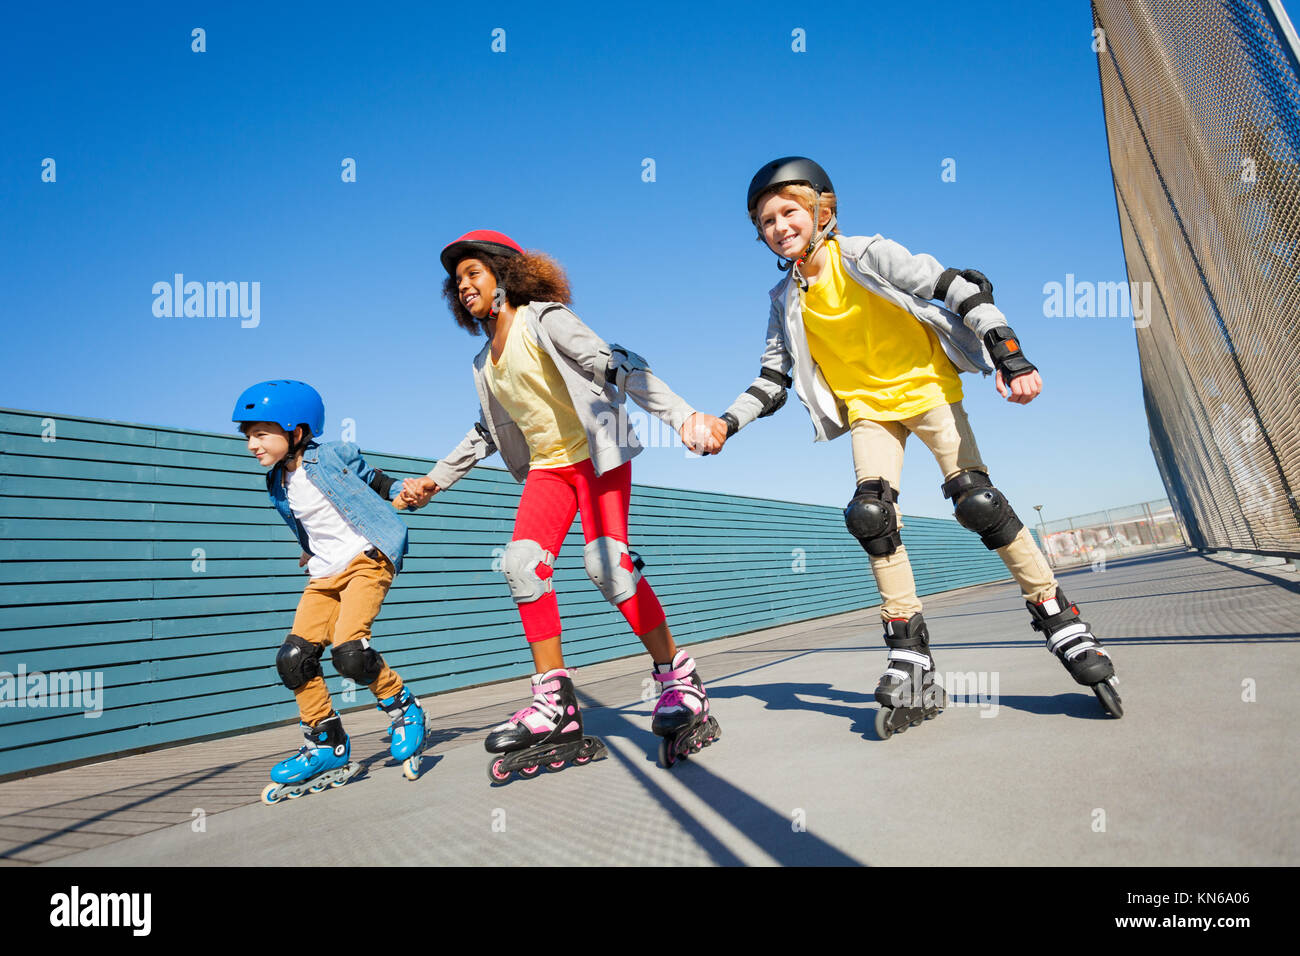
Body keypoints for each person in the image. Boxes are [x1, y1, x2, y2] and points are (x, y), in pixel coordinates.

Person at [715, 158, 1122, 735]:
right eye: (766, 221)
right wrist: (727, 423)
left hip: (928, 391)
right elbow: (773, 378)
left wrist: (1009, 352)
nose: (778, 226)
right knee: (871, 515)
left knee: (976, 501)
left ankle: (1057, 613)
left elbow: (957, 287)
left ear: (820, 211)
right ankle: (909, 647)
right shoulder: (785, 298)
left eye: (789, 212)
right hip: (869, 412)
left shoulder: (865, 253)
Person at [400, 231, 726, 777]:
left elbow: (618, 365)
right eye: (457, 283)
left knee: (607, 566)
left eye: (473, 275)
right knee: (522, 565)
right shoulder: (484, 362)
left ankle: (678, 677)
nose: (463, 288)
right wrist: (435, 480)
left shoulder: (544, 320)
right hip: (550, 468)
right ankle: (556, 704)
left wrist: (683, 416)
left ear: (505, 275)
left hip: (598, 453)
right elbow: (488, 430)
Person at [232, 379, 427, 803]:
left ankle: (403, 709)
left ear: (296, 431)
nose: (252, 444)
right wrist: (308, 550)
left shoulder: (334, 454)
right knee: (294, 659)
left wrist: (404, 493)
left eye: (261, 434)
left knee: (349, 653)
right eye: (248, 436)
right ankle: (326, 744)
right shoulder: (275, 484)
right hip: (323, 574)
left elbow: (375, 480)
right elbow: (303, 521)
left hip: (366, 558)